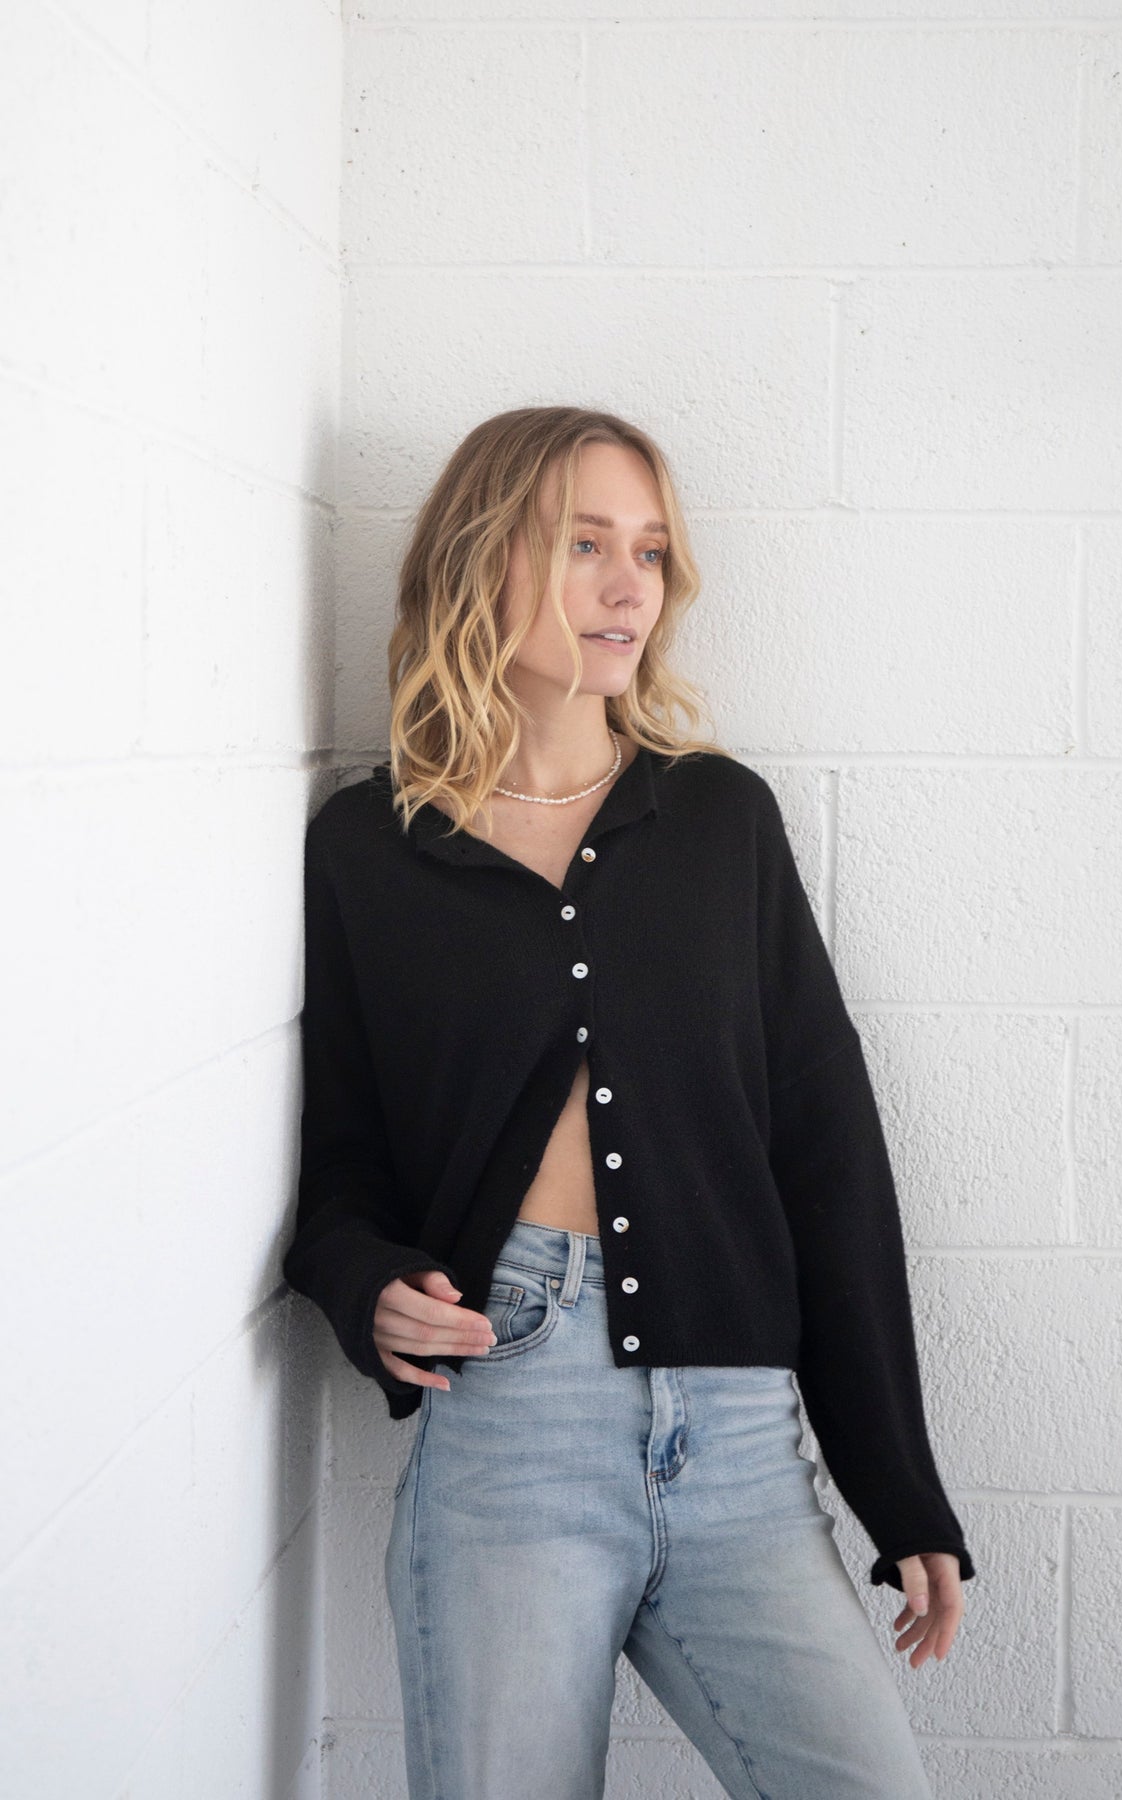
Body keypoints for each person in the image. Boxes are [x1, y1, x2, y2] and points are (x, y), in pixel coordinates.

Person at [282, 405, 975, 1799]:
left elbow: (829, 1158)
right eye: (584, 544)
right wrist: (369, 1288)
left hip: (739, 1436)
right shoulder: (370, 848)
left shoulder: (719, 821)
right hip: (509, 1424)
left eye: (650, 552)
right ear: (482, 557)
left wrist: (898, 1484)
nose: (628, 588)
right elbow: (339, 1166)